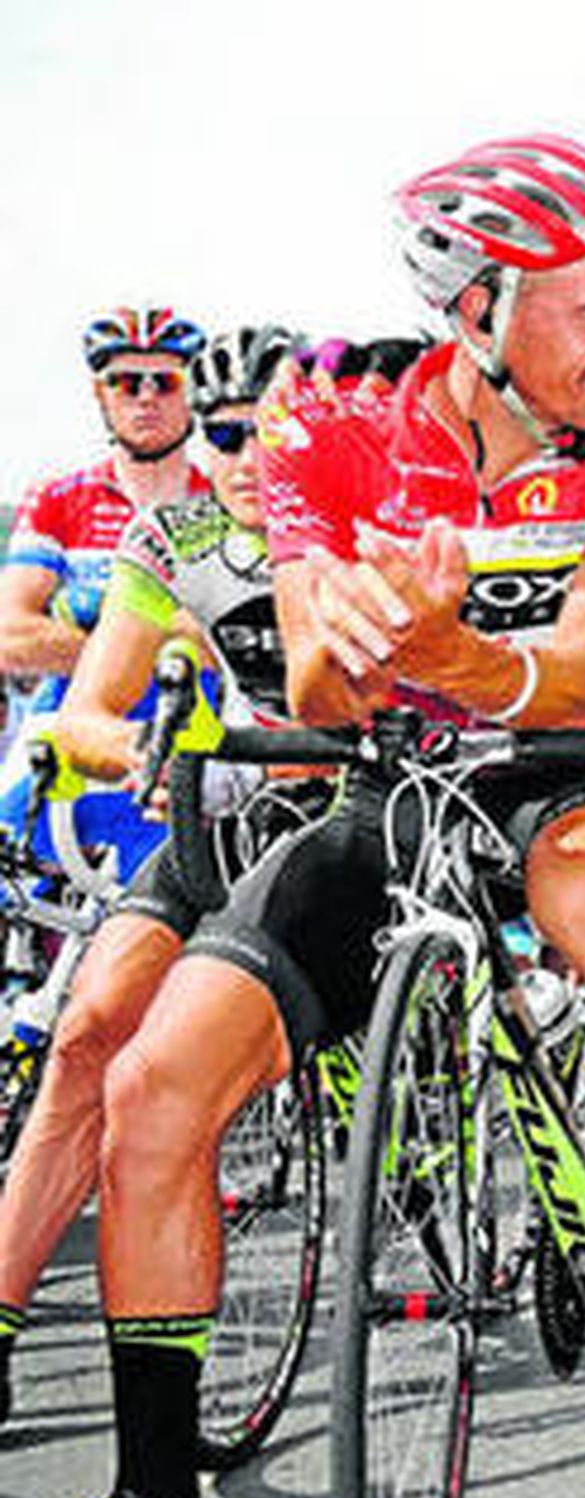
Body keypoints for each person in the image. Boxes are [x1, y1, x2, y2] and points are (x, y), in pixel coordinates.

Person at [0, 135, 585, 1498]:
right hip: (385, 778)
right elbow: (321, 692)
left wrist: (448, 646)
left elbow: (583, 668)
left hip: (556, 765)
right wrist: (363, 639)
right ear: (480, 311)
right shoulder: (331, 430)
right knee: (149, 1087)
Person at [0, 324, 303, 1436]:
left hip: (337, 817)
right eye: (222, 435)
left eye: (266, 432)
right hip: (216, 809)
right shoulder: (175, 534)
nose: (243, 458)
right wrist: (139, 751)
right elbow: (85, 707)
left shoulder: (364, 517)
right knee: (85, 1038)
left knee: (166, 1072)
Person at [0, 308, 211, 875]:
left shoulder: (220, 504)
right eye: (126, 382)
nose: (146, 398)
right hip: (65, 718)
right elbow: (10, 635)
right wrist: (133, 650)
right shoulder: (59, 499)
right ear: (101, 394)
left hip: (184, 730)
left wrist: (90, 636)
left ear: (193, 393)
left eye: (165, 381)